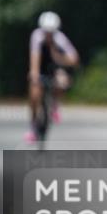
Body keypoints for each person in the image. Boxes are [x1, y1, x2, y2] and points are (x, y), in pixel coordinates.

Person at [26, 11, 79, 142]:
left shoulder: (60, 39)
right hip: (41, 67)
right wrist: (34, 74)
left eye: (51, 32)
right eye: (46, 32)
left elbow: (74, 59)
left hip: (55, 67)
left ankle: (55, 105)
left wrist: (59, 58)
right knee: (34, 94)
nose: (49, 34)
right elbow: (35, 58)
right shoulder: (37, 37)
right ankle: (33, 127)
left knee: (63, 80)